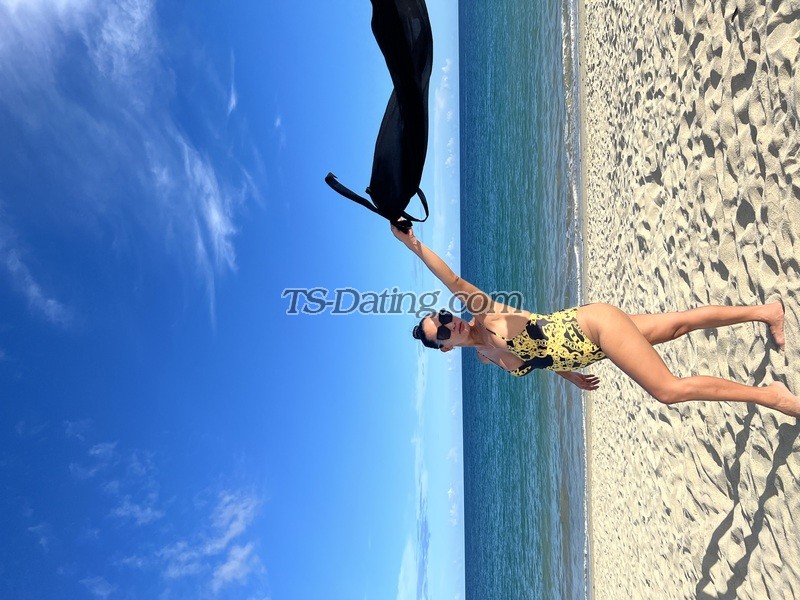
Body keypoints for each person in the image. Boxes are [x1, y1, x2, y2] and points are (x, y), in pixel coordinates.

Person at [392, 224, 800, 417]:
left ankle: (772, 397)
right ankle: (766, 312)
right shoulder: (486, 356)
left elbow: (452, 279)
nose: (449, 323)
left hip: (595, 327)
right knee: (680, 325)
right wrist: (569, 375)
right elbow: (537, 354)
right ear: (445, 348)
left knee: (667, 390)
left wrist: (413, 245)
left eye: (443, 316)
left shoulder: (486, 314)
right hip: (590, 345)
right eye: (441, 330)